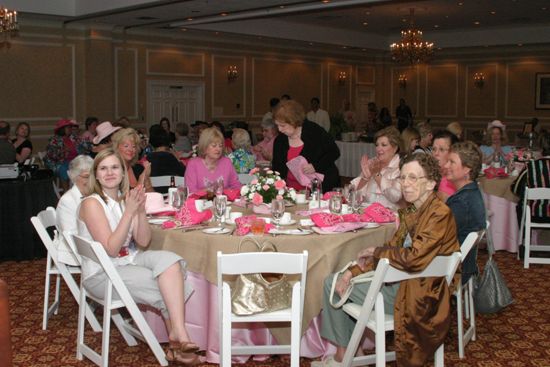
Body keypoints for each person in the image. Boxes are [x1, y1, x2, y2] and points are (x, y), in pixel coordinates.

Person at [313, 153, 460, 367]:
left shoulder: (439, 214)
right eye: (402, 177)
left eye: (413, 178)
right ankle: (351, 353)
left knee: (330, 283)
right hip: (407, 284)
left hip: (421, 295)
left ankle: (343, 356)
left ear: (430, 183)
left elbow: (414, 258)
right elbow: (393, 250)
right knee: (338, 279)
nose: (405, 184)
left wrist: (376, 253)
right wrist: (353, 271)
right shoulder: (413, 210)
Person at [77, 149, 200, 364]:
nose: (109, 173)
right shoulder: (91, 203)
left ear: (123, 173)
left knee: (170, 262)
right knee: (168, 288)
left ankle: (177, 335)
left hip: (128, 260)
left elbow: (143, 241)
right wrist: (129, 212)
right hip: (102, 273)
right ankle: (179, 344)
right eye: (103, 169)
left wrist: (140, 210)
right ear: (95, 175)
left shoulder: (126, 200)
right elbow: (111, 249)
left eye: (115, 167)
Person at [272, 100, 340, 192]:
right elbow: (277, 168)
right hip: (291, 190)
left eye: (283, 126)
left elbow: (334, 152)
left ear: (294, 122)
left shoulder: (314, 131)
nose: (279, 129)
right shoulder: (280, 140)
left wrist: (316, 166)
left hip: (319, 188)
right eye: (277, 125)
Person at [445, 141, 486, 284]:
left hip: (455, 269)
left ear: (467, 169)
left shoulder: (461, 202)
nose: (446, 166)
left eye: (452, 162)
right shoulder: (472, 193)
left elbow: (439, 236)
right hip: (466, 265)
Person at [351, 126, 402, 210]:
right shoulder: (372, 163)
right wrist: (365, 178)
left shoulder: (400, 167)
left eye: (384, 145)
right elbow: (353, 195)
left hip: (390, 217)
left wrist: (377, 175)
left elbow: (395, 197)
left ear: (395, 148)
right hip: (367, 214)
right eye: (377, 145)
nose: (379, 149)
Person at [511, 132, 550, 230]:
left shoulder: (531, 167)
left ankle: (523, 239)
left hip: (536, 215)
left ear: (540, 148)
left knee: (520, 204)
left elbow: (515, 189)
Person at [184, 127, 240, 193]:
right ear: (204, 146)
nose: (218, 149)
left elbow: (236, 185)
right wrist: (211, 190)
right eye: (214, 146)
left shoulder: (227, 162)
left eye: (220, 146)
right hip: (200, 202)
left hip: (224, 202)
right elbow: (190, 191)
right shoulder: (193, 164)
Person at [56, 155, 93, 236]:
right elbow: (71, 237)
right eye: (86, 176)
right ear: (74, 177)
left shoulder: (95, 195)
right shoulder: (67, 201)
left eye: (93, 176)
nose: (91, 180)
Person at [147, 125, 185, 194]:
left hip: (154, 194)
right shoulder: (171, 157)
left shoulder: (148, 158)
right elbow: (184, 174)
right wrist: (178, 160)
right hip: (170, 195)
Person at [44, 119, 80, 190]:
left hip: (74, 161)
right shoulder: (55, 140)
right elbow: (52, 155)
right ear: (62, 129)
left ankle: (81, 191)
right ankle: (66, 193)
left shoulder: (73, 138)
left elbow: (81, 147)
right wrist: (64, 150)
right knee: (64, 169)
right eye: (68, 127)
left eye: (70, 127)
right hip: (59, 162)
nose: (70, 129)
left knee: (86, 166)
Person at [432, 130, 458, 202]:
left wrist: (403, 213)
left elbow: (424, 204)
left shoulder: (449, 181)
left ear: (453, 153)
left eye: (441, 149)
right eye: (434, 149)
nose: (436, 154)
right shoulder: (433, 173)